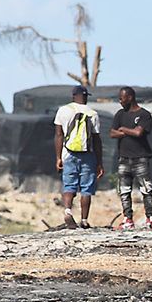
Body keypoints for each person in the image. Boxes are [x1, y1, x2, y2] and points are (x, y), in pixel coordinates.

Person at [53, 84, 104, 227]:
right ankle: (84, 220)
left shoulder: (63, 111)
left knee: (69, 185)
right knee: (86, 188)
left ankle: (68, 211)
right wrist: (99, 162)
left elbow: (58, 135)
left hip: (68, 153)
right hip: (88, 155)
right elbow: (96, 139)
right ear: (86, 97)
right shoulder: (92, 113)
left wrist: (58, 157)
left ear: (73, 96)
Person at [111, 86, 152, 228]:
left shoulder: (144, 114)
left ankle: (150, 219)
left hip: (140, 158)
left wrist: (123, 129)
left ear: (130, 97)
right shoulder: (120, 114)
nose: (120, 101)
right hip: (124, 158)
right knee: (124, 190)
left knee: (146, 189)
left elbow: (138, 133)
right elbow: (112, 133)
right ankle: (128, 219)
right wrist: (129, 131)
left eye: (122, 98)